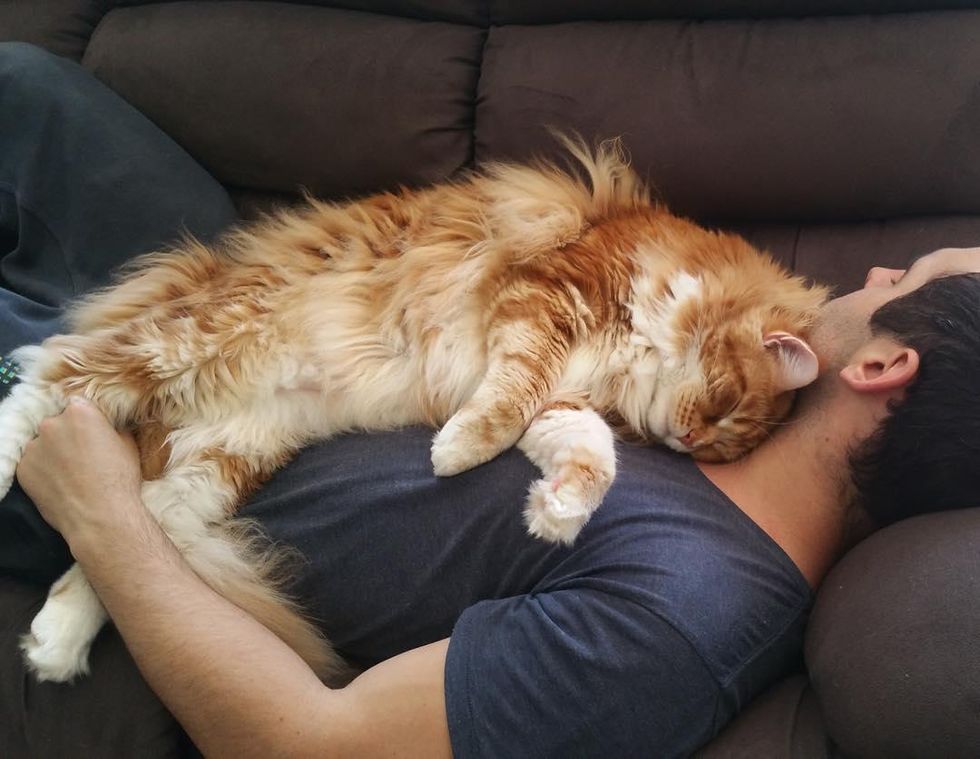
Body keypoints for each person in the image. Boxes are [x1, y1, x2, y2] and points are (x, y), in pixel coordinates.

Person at [3, 43, 980, 759]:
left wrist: (101, 514)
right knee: (28, 90)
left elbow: (303, 742)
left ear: (880, 367)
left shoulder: (685, 614)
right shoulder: (730, 391)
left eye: (897, 281)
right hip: (279, 302)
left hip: (159, 447)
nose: (877, 266)